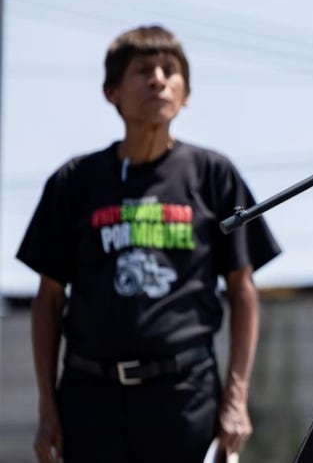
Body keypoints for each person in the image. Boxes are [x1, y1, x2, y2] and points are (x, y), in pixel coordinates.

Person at [17, 25, 281, 463]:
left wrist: (235, 398)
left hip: (183, 396)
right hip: (89, 398)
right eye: (143, 70)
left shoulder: (213, 175)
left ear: (186, 94)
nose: (158, 79)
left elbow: (242, 289)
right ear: (111, 91)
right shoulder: (74, 182)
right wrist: (47, 407)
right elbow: (48, 300)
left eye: (170, 71)